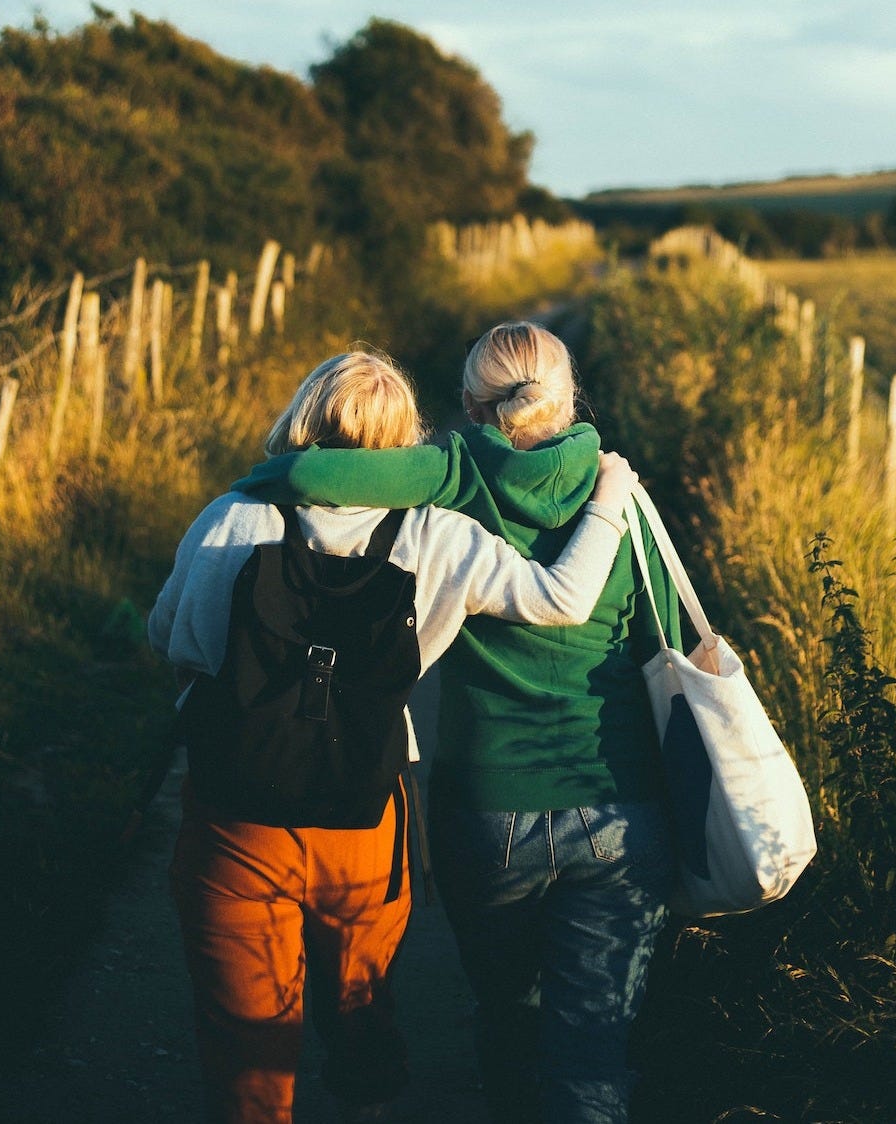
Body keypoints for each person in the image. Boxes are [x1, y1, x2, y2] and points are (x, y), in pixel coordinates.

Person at [147, 349, 640, 1124]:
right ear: (407, 437)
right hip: (365, 813)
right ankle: (363, 1094)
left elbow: (174, 638)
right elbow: (556, 598)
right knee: (360, 1002)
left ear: (303, 416)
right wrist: (613, 494)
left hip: (236, 814)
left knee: (244, 1039)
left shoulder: (233, 516)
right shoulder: (439, 535)